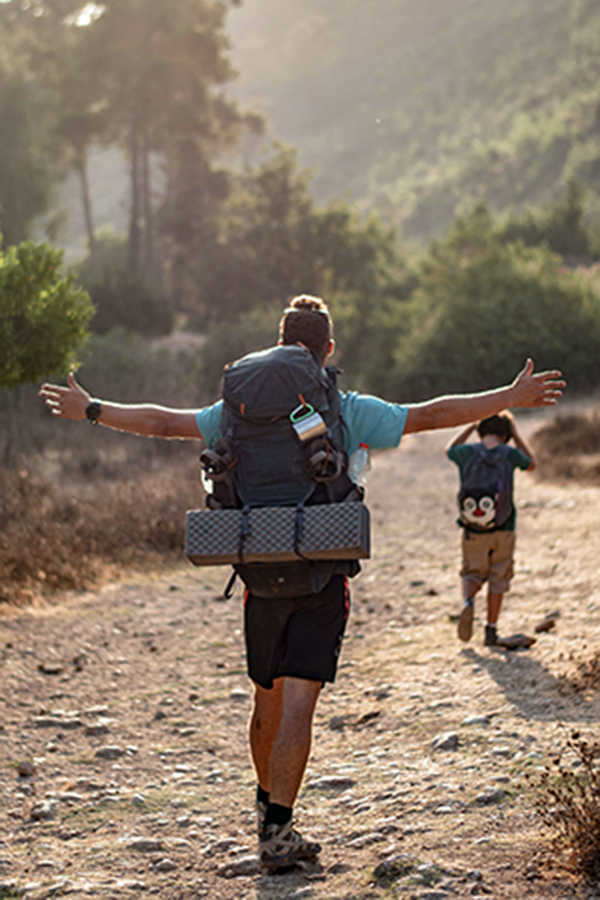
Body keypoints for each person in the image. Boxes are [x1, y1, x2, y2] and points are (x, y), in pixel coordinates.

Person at [39, 295, 564, 871]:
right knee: (298, 705)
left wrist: (92, 409)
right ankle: (278, 830)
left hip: (256, 570)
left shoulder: (235, 411)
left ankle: (266, 808)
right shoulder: (347, 409)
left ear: (280, 343)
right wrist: (509, 397)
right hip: (323, 571)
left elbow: (164, 421)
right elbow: (429, 414)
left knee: (266, 698)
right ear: (327, 350)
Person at [447, 412, 536, 647]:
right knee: (499, 576)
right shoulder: (509, 454)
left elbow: (450, 449)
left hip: (473, 529)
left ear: (480, 430)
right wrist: (516, 435)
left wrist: (471, 424)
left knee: (472, 572)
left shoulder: (467, 453)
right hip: (504, 527)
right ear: (506, 434)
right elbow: (531, 463)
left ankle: (468, 602)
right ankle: (491, 630)